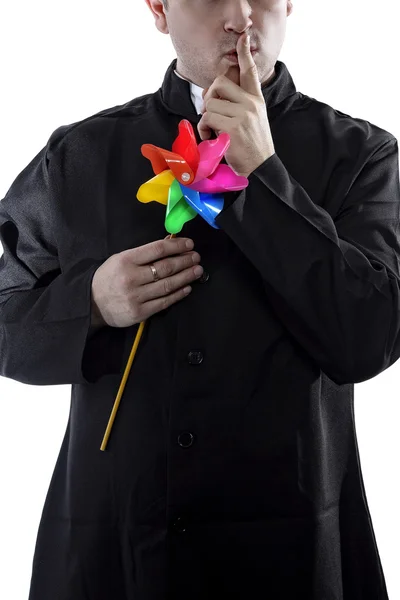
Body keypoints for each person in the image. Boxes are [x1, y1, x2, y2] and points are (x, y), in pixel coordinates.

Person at [0, 0, 399, 598]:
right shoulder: (79, 154)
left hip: (287, 550)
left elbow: (370, 339)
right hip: (112, 548)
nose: (241, 16)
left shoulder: (363, 155)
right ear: (159, 10)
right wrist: (90, 304)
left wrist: (263, 173)